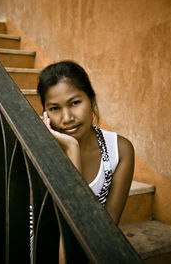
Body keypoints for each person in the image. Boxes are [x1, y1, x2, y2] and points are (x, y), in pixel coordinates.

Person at [37, 60, 134, 225]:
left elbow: (109, 225)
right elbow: (55, 224)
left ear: (92, 100)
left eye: (75, 103)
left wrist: (72, 148)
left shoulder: (119, 150)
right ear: (45, 114)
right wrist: (71, 149)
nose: (67, 118)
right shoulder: (38, 152)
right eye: (54, 108)